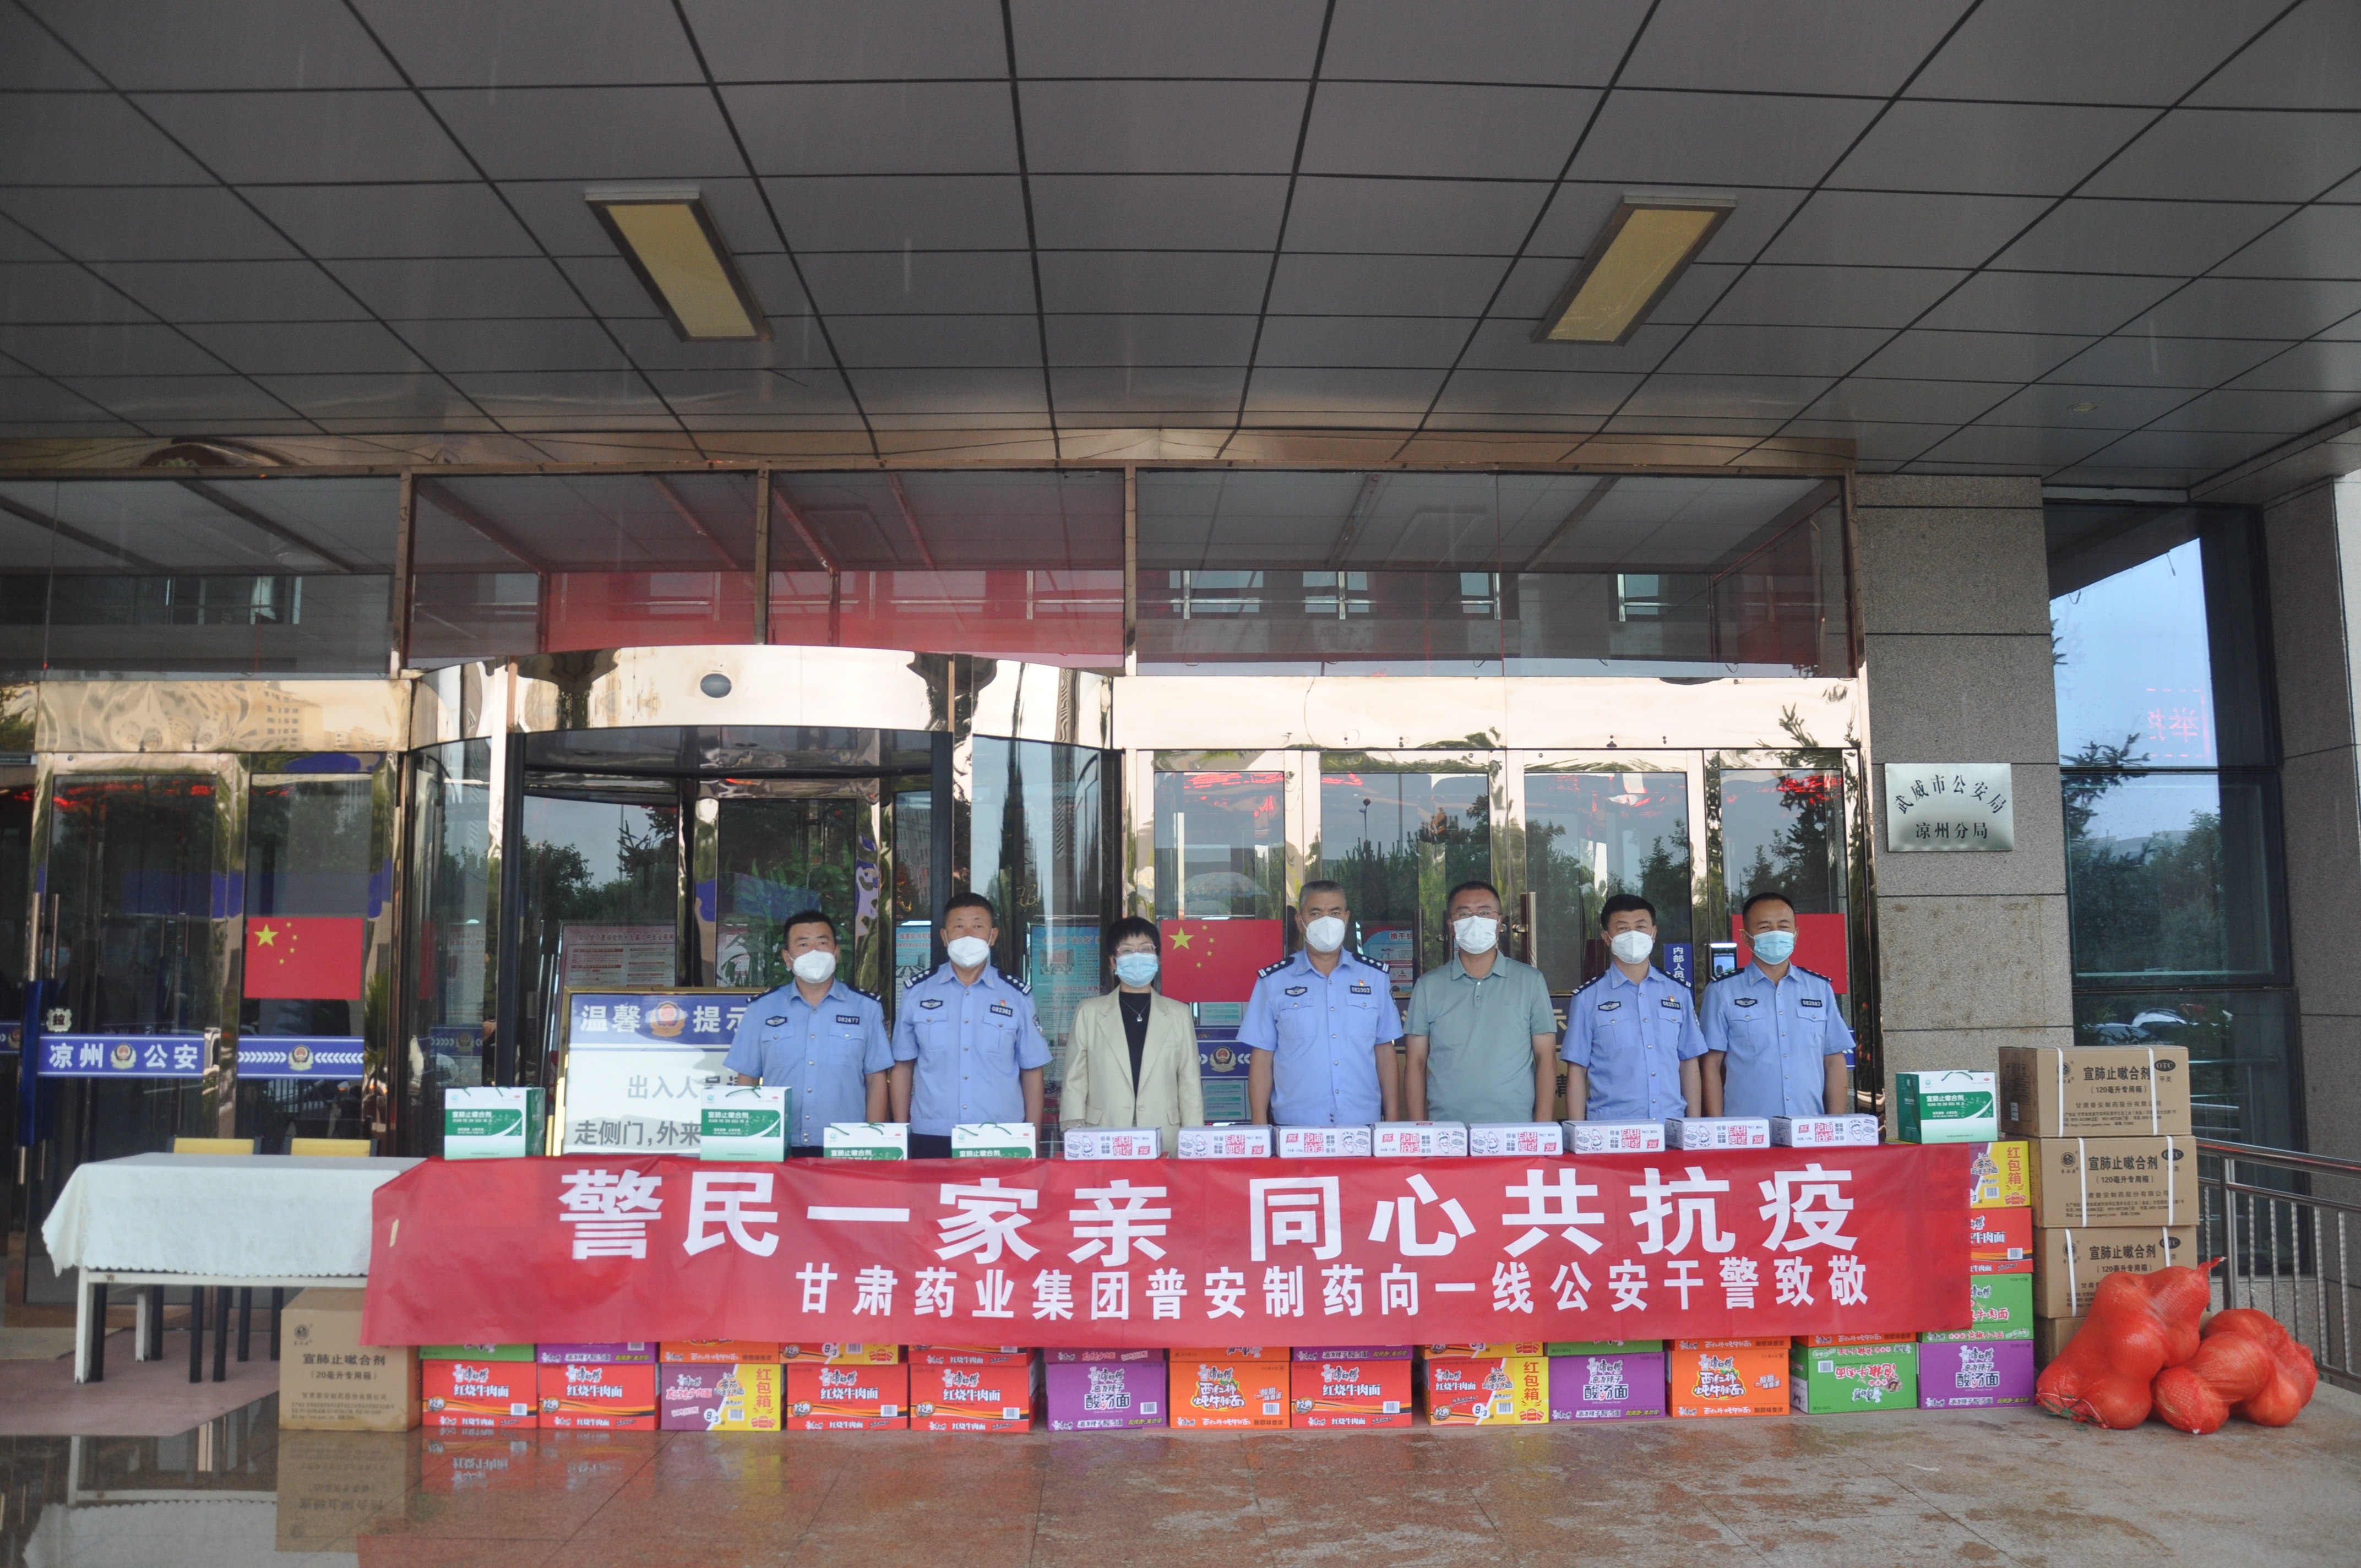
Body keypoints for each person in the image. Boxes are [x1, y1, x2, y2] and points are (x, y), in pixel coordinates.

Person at [890, 891, 1049, 1158]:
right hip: (932, 1134)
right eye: (958, 927)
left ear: (992, 936)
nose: (968, 936)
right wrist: (900, 1132)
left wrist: (1033, 1138)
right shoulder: (916, 992)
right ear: (944, 937)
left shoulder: (1017, 995)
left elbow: (1032, 1069)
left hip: (1003, 1134)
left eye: (977, 927)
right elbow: (902, 1065)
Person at [723, 908, 891, 1156]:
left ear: (836, 953)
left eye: (822, 943)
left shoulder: (866, 1008)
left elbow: (876, 1079)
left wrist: (871, 1141)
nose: (814, 952)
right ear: (787, 958)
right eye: (803, 944)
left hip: (846, 1145)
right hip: (777, 1143)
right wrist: (748, 1144)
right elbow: (747, 1080)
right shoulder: (762, 1009)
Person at [1241, 879, 1402, 1126]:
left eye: (1335, 913)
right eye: (1316, 914)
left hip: (1361, 1122)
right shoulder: (1274, 981)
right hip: (1295, 1125)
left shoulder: (1375, 977)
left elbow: (1384, 1051)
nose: (1326, 921)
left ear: (1346, 919)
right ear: (1300, 921)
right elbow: (1262, 1057)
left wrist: (1392, 1120)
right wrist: (1259, 1124)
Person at [1403, 879, 1559, 1124]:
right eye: (1465, 914)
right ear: (1451, 925)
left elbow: (1546, 1059)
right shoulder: (1428, 986)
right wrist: (1420, 1129)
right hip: (1447, 1128)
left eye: (1485, 913)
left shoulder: (1530, 981)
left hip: (1515, 1128)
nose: (1475, 921)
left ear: (1499, 923)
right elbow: (1416, 1063)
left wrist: (1542, 1129)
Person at [1700, 890, 1854, 1118]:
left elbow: (1833, 1061)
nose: (1775, 933)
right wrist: (1718, 1127)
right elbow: (1711, 1064)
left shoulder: (1820, 989)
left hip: (1808, 1126)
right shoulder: (1722, 991)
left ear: (1796, 934)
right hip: (1748, 1128)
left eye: (1783, 926)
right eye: (1764, 927)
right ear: (1745, 937)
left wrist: (1834, 1125)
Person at [1060, 916, 1205, 1155]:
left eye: (1146, 949)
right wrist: (1074, 1135)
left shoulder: (1179, 1014)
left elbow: (1189, 1083)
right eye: (1127, 951)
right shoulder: (1089, 1012)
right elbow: (1074, 1081)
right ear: (1113, 962)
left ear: (1157, 958)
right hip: (1102, 1135)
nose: (1137, 957)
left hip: (1165, 1137)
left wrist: (1194, 1141)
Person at [1559, 892, 1706, 1122]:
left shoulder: (1678, 992)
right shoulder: (1588, 998)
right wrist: (1577, 1132)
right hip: (1612, 1128)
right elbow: (1577, 1071)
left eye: (1640, 927)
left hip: (1670, 1125)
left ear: (1653, 933)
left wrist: (1693, 1126)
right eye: (1623, 929)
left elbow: (1689, 1063)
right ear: (1607, 938)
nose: (1633, 935)